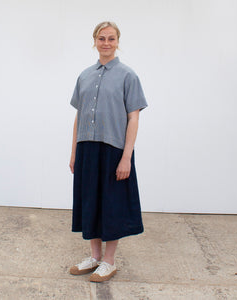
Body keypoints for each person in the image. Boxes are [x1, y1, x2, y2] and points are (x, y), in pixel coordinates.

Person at [69, 21, 148, 282]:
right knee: (89, 202)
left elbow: (133, 118)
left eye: (111, 39)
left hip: (114, 150)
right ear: (94, 41)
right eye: (101, 38)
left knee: (111, 205)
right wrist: (73, 153)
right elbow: (79, 117)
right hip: (86, 148)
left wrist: (127, 156)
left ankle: (109, 262)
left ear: (117, 42)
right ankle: (93, 257)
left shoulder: (128, 76)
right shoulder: (84, 76)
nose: (106, 43)